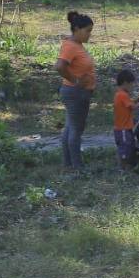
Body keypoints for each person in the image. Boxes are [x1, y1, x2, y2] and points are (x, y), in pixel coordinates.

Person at [55, 11, 96, 169]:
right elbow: (59, 66)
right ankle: (77, 166)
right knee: (76, 130)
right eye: (87, 31)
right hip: (75, 92)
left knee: (71, 127)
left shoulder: (76, 45)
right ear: (77, 29)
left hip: (78, 92)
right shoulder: (70, 46)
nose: (89, 35)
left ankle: (68, 164)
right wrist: (75, 80)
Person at [114, 69, 139, 170]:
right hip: (123, 128)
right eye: (131, 84)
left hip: (123, 127)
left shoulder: (120, 94)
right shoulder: (122, 95)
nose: (132, 87)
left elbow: (128, 104)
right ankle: (123, 167)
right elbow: (132, 107)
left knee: (128, 145)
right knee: (125, 147)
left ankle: (127, 164)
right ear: (125, 83)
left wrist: (135, 100)